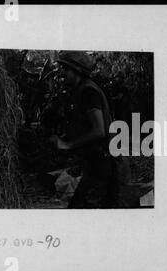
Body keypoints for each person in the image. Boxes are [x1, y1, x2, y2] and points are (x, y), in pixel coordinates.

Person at [50, 51, 119, 208]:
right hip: (95, 161)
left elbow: (99, 130)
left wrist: (68, 145)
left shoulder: (88, 91)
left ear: (78, 70)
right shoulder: (80, 91)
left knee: (83, 208)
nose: (63, 73)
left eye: (66, 69)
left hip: (103, 162)